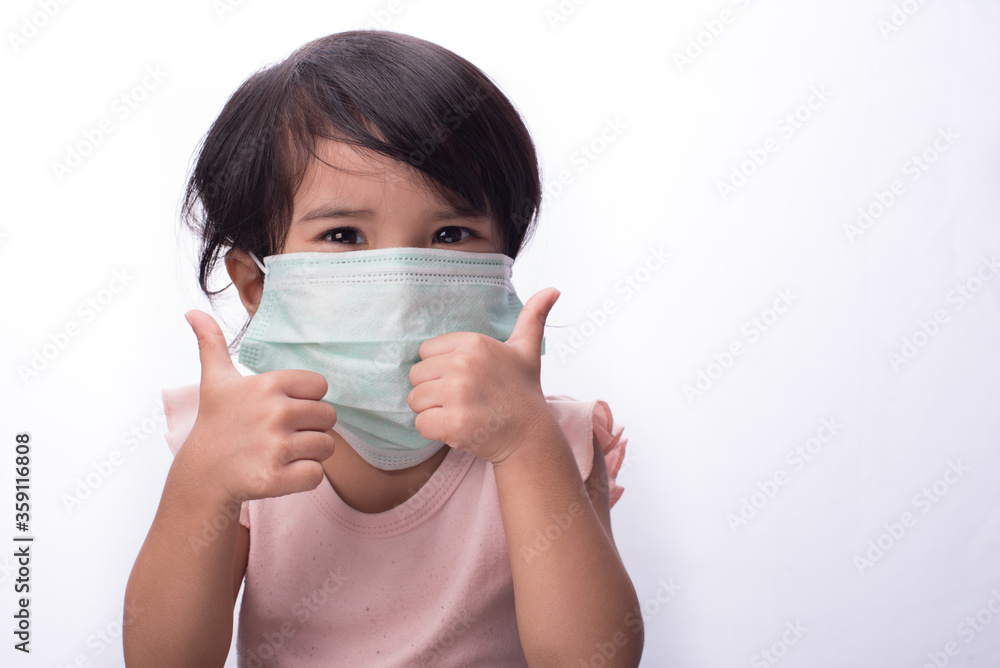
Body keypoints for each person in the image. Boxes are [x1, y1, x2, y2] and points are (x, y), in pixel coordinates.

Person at [124, 30, 642, 667]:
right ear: (256, 284)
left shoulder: (554, 438)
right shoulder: (235, 442)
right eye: (344, 234)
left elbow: (592, 661)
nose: (400, 282)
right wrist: (203, 482)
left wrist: (528, 446)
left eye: (450, 233)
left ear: (502, 264)